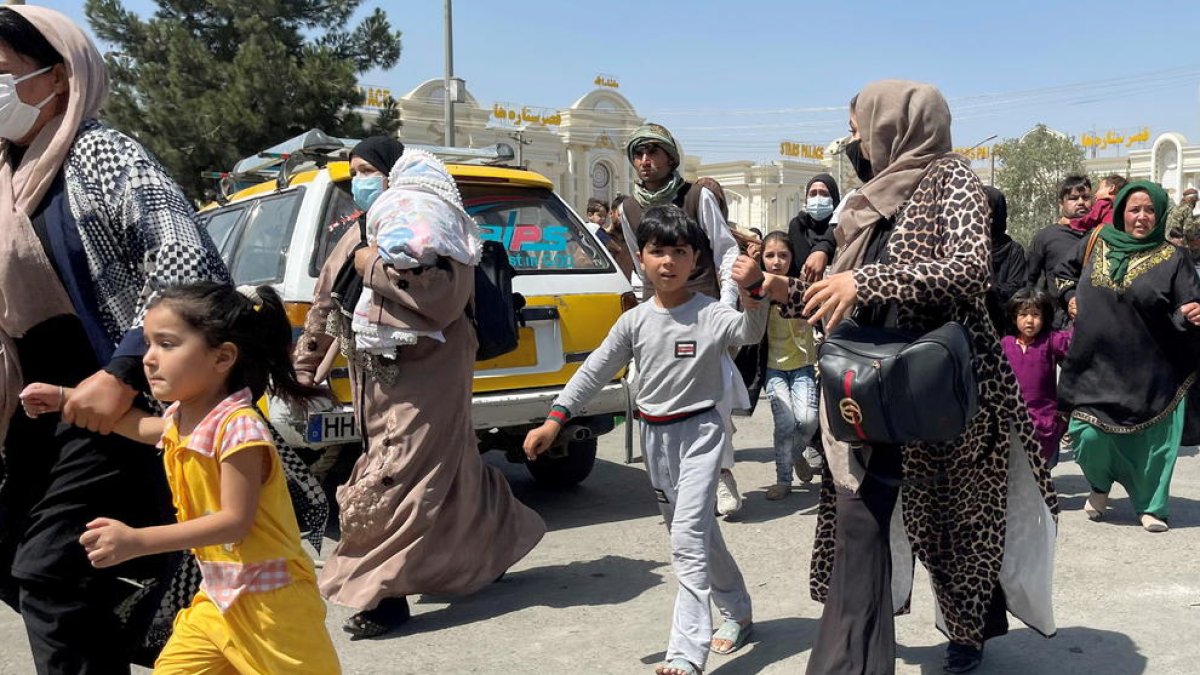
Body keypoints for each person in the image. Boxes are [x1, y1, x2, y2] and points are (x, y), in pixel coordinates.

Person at [732, 80, 1058, 675]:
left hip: (944, 389)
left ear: (894, 124)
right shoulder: (868, 199)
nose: (854, 140)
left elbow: (967, 271)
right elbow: (847, 298)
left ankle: (966, 635)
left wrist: (868, 282)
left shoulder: (949, 178)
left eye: (859, 126)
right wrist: (781, 291)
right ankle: (857, 645)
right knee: (865, 520)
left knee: (953, 522)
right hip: (869, 387)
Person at [0, 6, 232, 672]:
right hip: (36, 410)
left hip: (115, 405)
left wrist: (125, 369)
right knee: (21, 559)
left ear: (59, 78)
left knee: (50, 571)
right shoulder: (7, 174)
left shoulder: (99, 153)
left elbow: (190, 263)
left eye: (3, 72)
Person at [19, 283, 341, 674]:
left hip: (273, 604)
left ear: (222, 357)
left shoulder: (239, 428)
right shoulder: (183, 419)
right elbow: (138, 426)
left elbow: (233, 522)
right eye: (149, 345)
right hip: (217, 600)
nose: (149, 360)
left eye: (167, 345)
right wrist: (65, 398)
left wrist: (137, 541)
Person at [295, 142, 545, 638]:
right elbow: (325, 300)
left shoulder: (432, 230)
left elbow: (441, 299)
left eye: (369, 170)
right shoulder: (357, 233)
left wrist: (370, 263)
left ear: (393, 174)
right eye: (355, 172)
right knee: (452, 469)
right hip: (375, 377)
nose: (360, 180)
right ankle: (500, 542)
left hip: (432, 373)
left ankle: (383, 593)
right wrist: (305, 361)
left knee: (397, 475)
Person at [525, 205, 766, 675]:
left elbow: (748, 331)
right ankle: (737, 610)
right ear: (642, 258)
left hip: (700, 433)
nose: (668, 261)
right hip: (655, 439)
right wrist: (555, 419)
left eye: (679, 251)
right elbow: (595, 369)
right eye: (658, 251)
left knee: (687, 541)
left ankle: (685, 653)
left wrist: (754, 289)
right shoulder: (634, 321)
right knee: (697, 533)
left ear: (696, 258)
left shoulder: (711, 314)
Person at [613, 123, 748, 517]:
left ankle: (722, 474)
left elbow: (725, 250)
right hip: (658, 313)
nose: (645, 161)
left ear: (670, 157)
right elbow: (639, 266)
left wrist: (724, 306)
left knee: (715, 393)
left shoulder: (697, 195)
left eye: (653, 152)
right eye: (638, 154)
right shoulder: (628, 208)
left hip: (703, 309)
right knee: (650, 390)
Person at [1054, 180, 1200, 532]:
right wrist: (1070, 295)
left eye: (1150, 210)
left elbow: (1188, 305)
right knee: (1086, 437)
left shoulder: (1174, 258)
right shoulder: (1097, 241)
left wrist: (1192, 313)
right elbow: (1062, 274)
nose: (1142, 217)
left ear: (1161, 214)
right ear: (1121, 211)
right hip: (1094, 365)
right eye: (1135, 209)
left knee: (1152, 444)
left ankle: (1151, 506)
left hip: (1150, 371)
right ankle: (1101, 485)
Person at [755, 232, 819, 500]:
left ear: (792, 258)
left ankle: (795, 455)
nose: (776, 261)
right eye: (770, 255)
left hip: (803, 366)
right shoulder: (757, 292)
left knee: (807, 420)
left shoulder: (801, 289)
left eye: (783, 255)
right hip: (773, 369)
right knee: (784, 424)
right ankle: (783, 480)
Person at [1000, 289, 1072, 468]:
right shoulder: (1005, 344)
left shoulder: (1050, 341)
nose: (1029, 320)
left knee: (1043, 468)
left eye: (1035, 314)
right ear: (1013, 317)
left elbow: (1074, 341)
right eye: (1023, 314)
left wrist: (1077, 316)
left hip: (1044, 420)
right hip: (1012, 419)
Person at [1027, 175, 1093, 327]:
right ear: (1061, 203)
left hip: (1095, 320)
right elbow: (1030, 280)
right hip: (1058, 324)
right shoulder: (1046, 236)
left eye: (1086, 197)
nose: (1081, 202)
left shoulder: (1099, 235)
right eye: (1073, 198)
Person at [983, 187, 1028, 334]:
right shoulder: (965, 247)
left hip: (1002, 328)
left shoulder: (1013, 251)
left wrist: (989, 287)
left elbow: (1015, 289)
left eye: (985, 206)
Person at [786, 173, 840, 283]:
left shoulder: (843, 226)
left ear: (834, 198)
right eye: (813, 194)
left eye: (824, 194)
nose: (818, 199)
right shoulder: (798, 226)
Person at [1167, 186, 1200, 263]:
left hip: (1169, 241)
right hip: (1179, 243)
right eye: (1195, 200)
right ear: (1192, 199)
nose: (1196, 203)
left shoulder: (1177, 207)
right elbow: (1188, 230)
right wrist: (1195, 240)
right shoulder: (1187, 208)